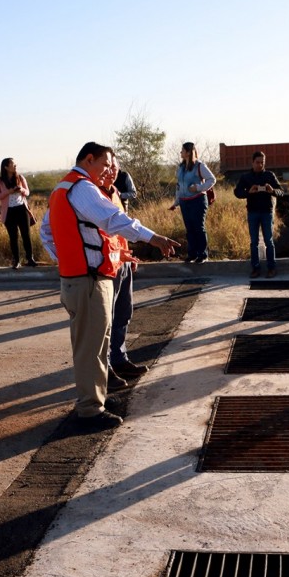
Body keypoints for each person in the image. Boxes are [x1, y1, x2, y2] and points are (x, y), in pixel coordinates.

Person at [40, 142, 179, 430]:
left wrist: (65, 259)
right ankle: (90, 410)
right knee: (91, 347)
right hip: (88, 281)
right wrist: (155, 238)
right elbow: (114, 220)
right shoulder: (82, 188)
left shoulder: (63, 189)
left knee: (99, 343)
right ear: (88, 159)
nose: (110, 171)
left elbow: (46, 231)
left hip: (85, 278)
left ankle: (97, 398)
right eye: (106, 165)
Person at [99, 157, 149, 393]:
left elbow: (122, 227)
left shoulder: (116, 192)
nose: (111, 171)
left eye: (114, 168)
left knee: (123, 312)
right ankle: (105, 369)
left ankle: (119, 359)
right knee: (106, 319)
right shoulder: (92, 196)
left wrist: (128, 254)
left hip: (122, 259)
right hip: (107, 265)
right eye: (106, 167)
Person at [233, 151, 284, 278]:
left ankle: (271, 268)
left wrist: (272, 191)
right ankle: (255, 268)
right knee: (254, 242)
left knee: (269, 241)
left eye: (262, 163)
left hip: (267, 212)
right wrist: (248, 192)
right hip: (253, 212)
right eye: (257, 162)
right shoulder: (246, 177)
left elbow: (281, 191)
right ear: (252, 162)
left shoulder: (269, 175)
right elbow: (237, 192)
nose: (260, 165)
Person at [169, 142, 216, 264]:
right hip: (185, 202)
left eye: (182, 150)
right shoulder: (181, 167)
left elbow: (212, 179)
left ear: (189, 152)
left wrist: (199, 187)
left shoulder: (199, 166)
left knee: (198, 228)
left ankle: (202, 254)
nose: (181, 152)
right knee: (189, 229)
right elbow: (179, 186)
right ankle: (192, 254)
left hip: (197, 200)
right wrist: (176, 202)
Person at [0, 158, 38, 270]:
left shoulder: (20, 177)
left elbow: (27, 192)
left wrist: (21, 189)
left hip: (22, 209)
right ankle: (16, 261)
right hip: (9, 211)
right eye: (13, 164)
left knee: (26, 234)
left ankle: (30, 259)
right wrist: (9, 192)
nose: (15, 166)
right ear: (6, 167)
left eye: (15, 164)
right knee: (13, 236)